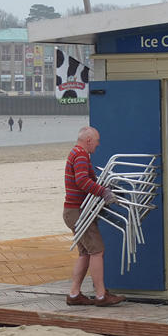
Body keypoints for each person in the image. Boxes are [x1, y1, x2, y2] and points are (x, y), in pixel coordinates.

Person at [62, 126, 125, 307]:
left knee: (85, 253)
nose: (98, 144)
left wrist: (105, 185)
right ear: (88, 140)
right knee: (97, 251)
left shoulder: (76, 153)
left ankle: (74, 294)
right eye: (97, 141)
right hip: (78, 213)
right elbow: (82, 180)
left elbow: (88, 178)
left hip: (72, 212)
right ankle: (100, 296)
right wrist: (103, 191)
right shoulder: (81, 155)